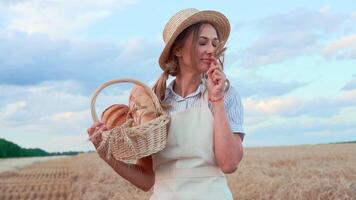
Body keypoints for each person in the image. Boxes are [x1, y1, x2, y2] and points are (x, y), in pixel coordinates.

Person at [87, 8, 245, 200]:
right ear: (177, 50)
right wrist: (107, 155)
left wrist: (217, 99)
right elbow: (146, 181)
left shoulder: (227, 95)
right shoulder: (155, 102)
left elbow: (229, 164)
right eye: (202, 42)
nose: (211, 50)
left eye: (214, 43)